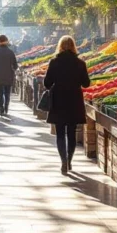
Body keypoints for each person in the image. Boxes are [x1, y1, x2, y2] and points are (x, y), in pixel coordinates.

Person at [43, 36, 91, 176]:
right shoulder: (80, 63)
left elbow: (47, 83)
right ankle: (69, 160)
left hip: (58, 100)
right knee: (71, 133)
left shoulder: (54, 62)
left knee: (59, 133)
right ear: (73, 46)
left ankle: (63, 161)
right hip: (74, 100)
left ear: (60, 46)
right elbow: (86, 84)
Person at [0, 35, 18, 117]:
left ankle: (1, 108)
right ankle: (6, 107)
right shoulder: (10, 52)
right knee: (7, 93)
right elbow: (15, 65)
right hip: (9, 75)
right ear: (6, 41)